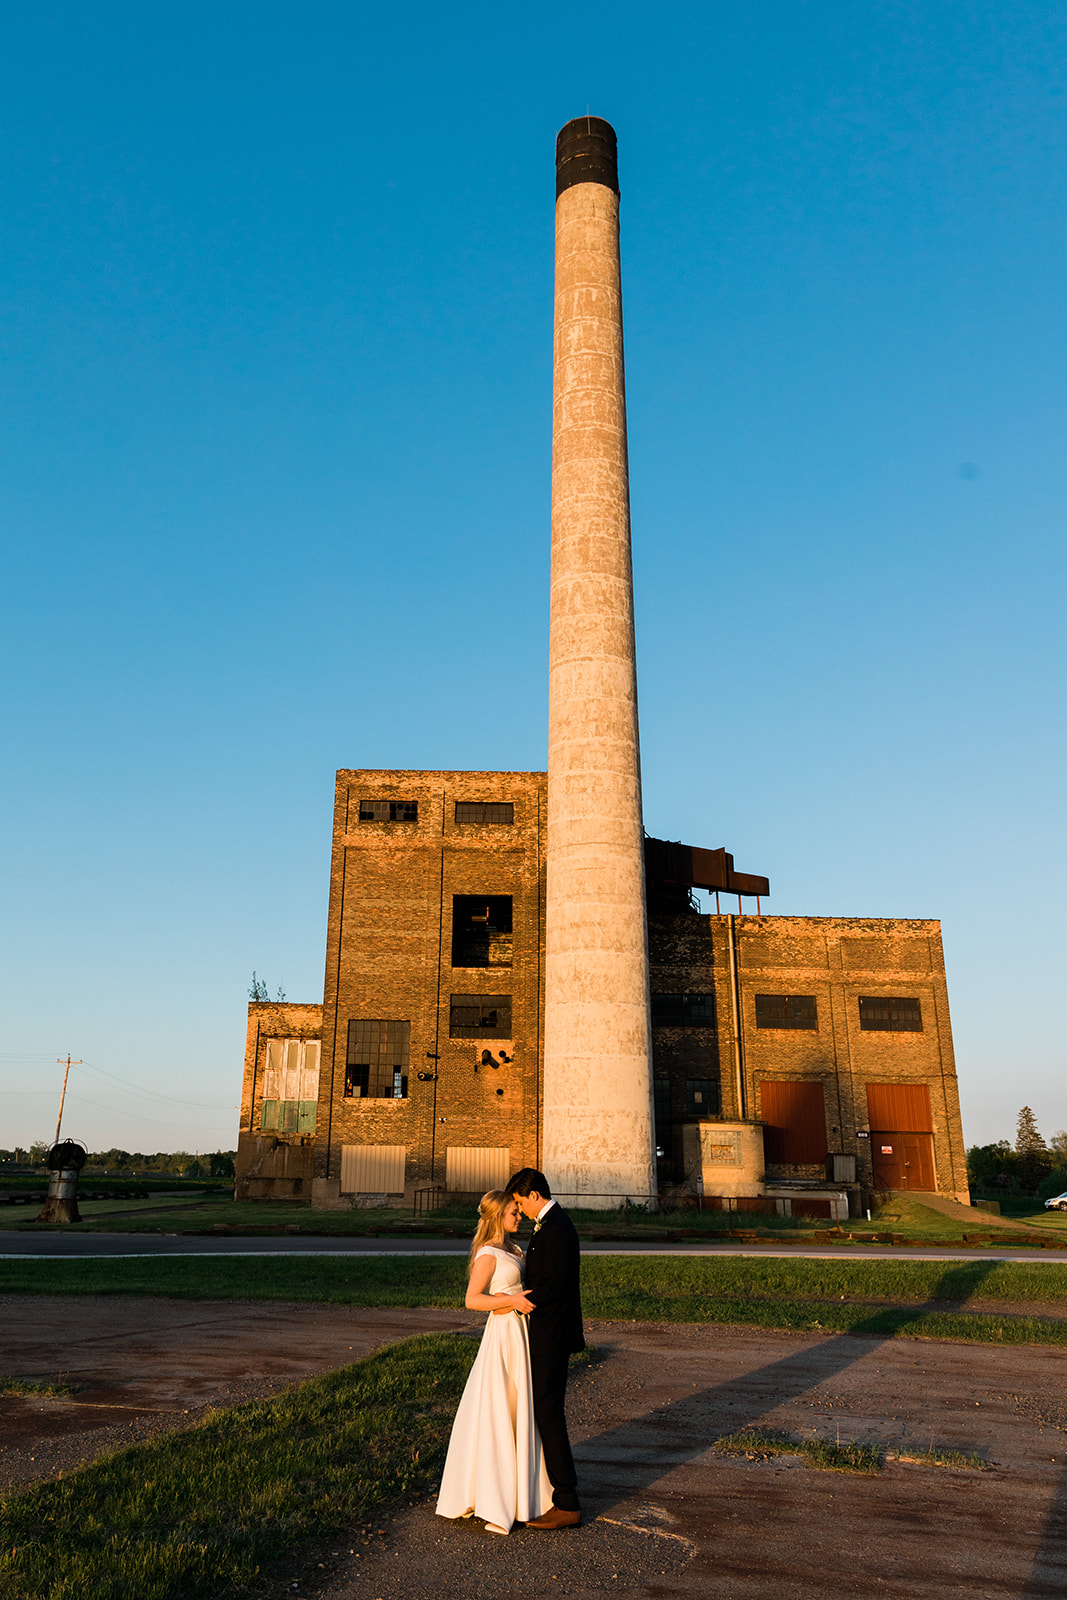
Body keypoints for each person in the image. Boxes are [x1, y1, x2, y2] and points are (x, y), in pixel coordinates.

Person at [435, 1190, 553, 1535]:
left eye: (519, 1211)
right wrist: (511, 1300)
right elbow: (472, 1299)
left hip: (521, 1332)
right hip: (502, 1335)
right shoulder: (488, 1253)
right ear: (498, 1216)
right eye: (513, 1213)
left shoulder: (513, 1249)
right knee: (501, 1408)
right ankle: (495, 1499)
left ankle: (522, 1494)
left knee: (521, 1410)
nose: (519, 1217)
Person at [506, 1167, 584, 1530]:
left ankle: (567, 1501)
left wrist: (517, 1300)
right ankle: (558, 1492)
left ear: (534, 1194)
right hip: (549, 1333)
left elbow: (554, 1285)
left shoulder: (555, 1229)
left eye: (520, 1202)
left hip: (552, 1335)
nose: (520, 1210)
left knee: (549, 1413)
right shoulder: (552, 1225)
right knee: (546, 1412)